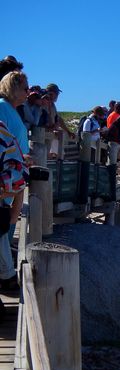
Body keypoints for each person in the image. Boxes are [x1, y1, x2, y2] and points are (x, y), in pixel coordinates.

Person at [0, 71, 31, 286]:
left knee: (5, 223)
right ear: (14, 87)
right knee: (3, 222)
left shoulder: (12, 110)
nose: (28, 92)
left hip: (14, 175)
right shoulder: (2, 107)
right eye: (25, 88)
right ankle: (6, 275)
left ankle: (5, 272)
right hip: (6, 176)